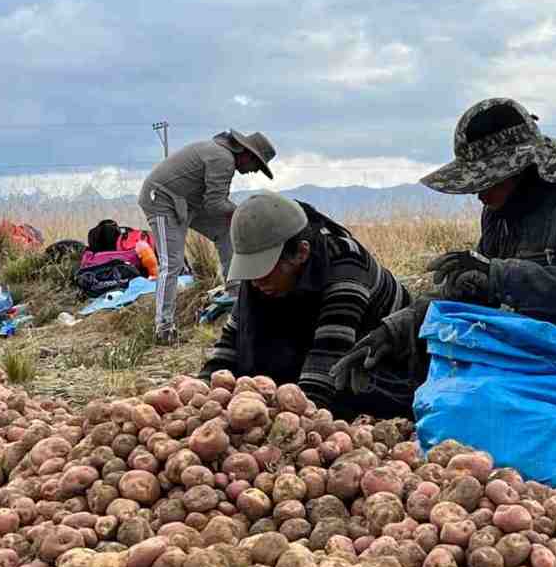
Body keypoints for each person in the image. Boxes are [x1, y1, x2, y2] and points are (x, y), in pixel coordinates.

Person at [333, 97, 556, 429]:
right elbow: (472, 292)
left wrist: (498, 276)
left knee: (489, 411)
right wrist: (397, 329)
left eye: (486, 181)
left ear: (520, 169)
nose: (477, 194)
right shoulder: (501, 211)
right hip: (542, 355)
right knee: (397, 381)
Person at [199, 191, 414, 418]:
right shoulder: (262, 277)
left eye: (264, 270)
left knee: (345, 394)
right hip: (320, 345)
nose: (256, 282)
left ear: (301, 252)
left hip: (381, 362)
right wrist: (201, 392)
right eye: (250, 271)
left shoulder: (346, 264)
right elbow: (233, 338)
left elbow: (329, 356)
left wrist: (296, 419)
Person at [138, 130, 276, 344]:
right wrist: (244, 213)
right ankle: (164, 328)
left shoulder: (222, 156)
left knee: (226, 230)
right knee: (171, 263)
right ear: (248, 155)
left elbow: (215, 204)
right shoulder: (222, 159)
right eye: (256, 166)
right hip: (162, 199)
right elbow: (215, 204)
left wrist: (235, 216)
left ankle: (235, 294)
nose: (254, 171)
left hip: (188, 203)